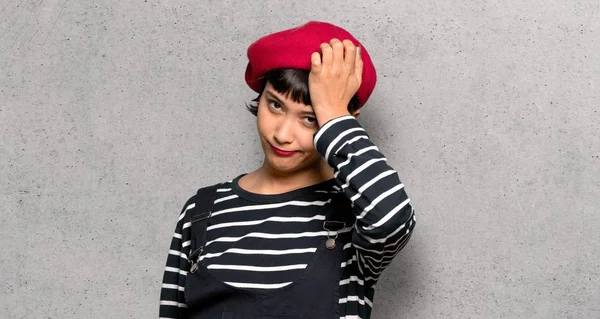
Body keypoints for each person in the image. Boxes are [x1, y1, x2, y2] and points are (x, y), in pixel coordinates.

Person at [159, 21, 416, 319]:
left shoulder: (353, 216)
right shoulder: (202, 210)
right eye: (275, 105)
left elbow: (391, 218)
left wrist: (333, 112)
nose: (282, 134)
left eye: (309, 119)